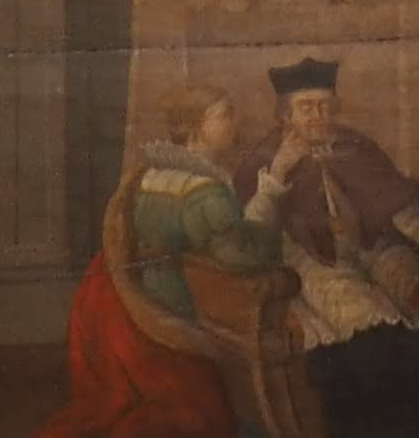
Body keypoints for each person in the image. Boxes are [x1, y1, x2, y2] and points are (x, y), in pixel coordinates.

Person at [257, 58, 419, 437]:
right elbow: (254, 233)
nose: (319, 115)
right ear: (285, 115)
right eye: (306, 108)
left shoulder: (357, 148)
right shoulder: (265, 159)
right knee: (375, 329)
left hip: (380, 250)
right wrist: (277, 174)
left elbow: (403, 204)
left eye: (325, 105)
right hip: (316, 261)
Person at [38, 86, 281, 438]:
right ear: (195, 128)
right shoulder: (201, 190)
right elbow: (242, 256)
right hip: (146, 317)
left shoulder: (152, 172)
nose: (234, 123)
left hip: (107, 300)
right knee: (193, 415)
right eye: (224, 115)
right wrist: (270, 197)